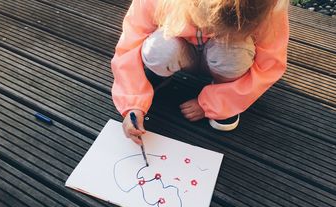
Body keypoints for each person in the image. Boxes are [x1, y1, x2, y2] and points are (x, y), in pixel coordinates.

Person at [111, 0, 290, 145]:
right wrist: (133, 102)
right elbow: (131, 43)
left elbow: (269, 65)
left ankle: (225, 89)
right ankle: (158, 74)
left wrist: (211, 103)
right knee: (159, 49)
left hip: (225, 57)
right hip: (181, 49)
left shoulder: (269, 7)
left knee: (235, 52)